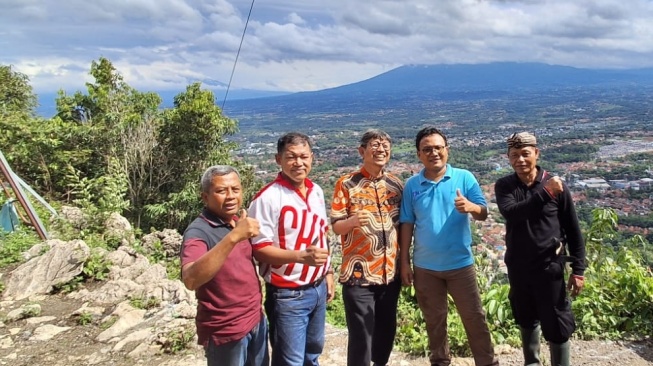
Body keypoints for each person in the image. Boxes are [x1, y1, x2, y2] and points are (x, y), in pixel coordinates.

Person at [399, 126, 499, 366]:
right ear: (419, 155)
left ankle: (487, 362)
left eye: (438, 148)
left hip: (460, 264)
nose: (433, 153)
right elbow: (407, 224)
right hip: (425, 267)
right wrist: (404, 262)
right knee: (434, 321)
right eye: (427, 149)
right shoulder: (412, 186)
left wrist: (471, 207)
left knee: (474, 318)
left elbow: (483, 212)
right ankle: (440, 362)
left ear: (447, 150)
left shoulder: (464, 177)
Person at [494, 132, 586, 366]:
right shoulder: (505, 186)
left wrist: (578, 270)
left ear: (536, 153)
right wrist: (546, 193)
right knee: (526, 318)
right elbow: (513, 213)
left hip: (550, 267)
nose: (520, 160)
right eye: (514, 155)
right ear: (508, 157)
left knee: (557, 321)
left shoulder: (556, 186)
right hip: (519, 267)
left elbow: (573, 230)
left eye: (525, 154)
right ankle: (531, 363)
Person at [248, 132, 335, 366]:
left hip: (316, 288)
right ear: (279, 160)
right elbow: (259, 249)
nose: (299, 162)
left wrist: (328, 272)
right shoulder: (267, 198)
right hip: (287, 293)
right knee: (290, 360)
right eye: (291, 157)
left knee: (312, 353)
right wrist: (300, 257)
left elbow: (321, 233)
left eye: (304, 156)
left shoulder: (316, 191)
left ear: (312, 158)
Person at [180, 165, 269, 366]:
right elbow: (191, 279)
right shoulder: (199, 232)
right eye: (221, 191)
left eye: (235, 189)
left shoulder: (237, 222)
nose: (230, 196)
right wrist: (234, 236)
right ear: (205, 197)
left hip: (255, 320)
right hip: (225, 330)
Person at [331, 129, 403, 366]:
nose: (381, 150)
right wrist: (351, 222)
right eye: (375, 146)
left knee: (386, 331)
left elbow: (403, 226)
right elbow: (336, 226)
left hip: (390, 274)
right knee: (362, 335)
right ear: (362, 151)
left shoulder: (396, 184)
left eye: (385, 147)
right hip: (358, 275)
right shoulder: (347, 184)